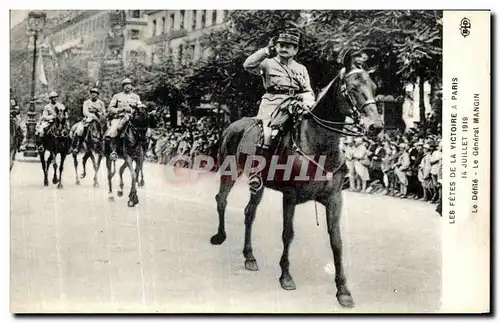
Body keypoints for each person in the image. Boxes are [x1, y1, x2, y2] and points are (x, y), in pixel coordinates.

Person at [243, 28, 315, 154]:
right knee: (267, 135)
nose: (284, 49)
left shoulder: (301, 68)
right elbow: (247, 65)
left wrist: (304, 97)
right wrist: (266, 50)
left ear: (295, 50)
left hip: (296, 105)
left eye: (288, 46)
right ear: (275, 47)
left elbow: (309, 92)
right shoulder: (267, 63)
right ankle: (261, 164)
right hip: (273, 105)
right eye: (281, 45)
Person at [104, 78, 142, 160]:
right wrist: (120, 110)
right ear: (123, 86)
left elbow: (141, 108)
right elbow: (110, 108)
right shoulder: (117, 96)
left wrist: (135, 108)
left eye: (129, 85)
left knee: (143, 130)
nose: (128, 86)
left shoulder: (136, 97)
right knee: (114, 130)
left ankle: (141, 150)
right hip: (120, 117)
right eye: (126, 85)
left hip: (132, 118)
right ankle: (114, 151)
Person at [72, 88, 106, 153]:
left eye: (95, 93)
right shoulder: (86, 102)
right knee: (80, 128)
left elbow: (104, 112)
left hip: (99, 119)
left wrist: (98, 112)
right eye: (92, 93)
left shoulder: (101, 103)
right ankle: (77, 145)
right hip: (88, 119)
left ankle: (104, 145)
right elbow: (84, 112)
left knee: (106, 128)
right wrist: (91, 115)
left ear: (97, 95)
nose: (93, 94)